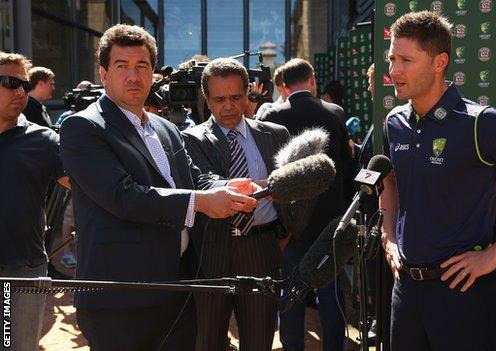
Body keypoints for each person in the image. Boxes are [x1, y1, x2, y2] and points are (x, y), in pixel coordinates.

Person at [380, 11, 496, 351]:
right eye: (392, 58)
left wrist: (495, 254)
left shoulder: (482, 123)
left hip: (461, 293)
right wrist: (389, 236)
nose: (394, 71)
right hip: (405, 291)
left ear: (440, 62)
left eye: (406, 60)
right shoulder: (394, 122)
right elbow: (389, 181)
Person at [59, 24, 258, 351]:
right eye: (122, 66)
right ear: (103, 73)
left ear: (154, 73)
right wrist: (202, 202)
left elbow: (192, 178)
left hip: (178, 289)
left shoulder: (166, 128)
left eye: (142, 67)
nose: (133, 77)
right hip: (119, 297)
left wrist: (230, 187)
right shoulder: (83, 127)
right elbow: (123, 196)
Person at [182, 58, 291, 351]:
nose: (228, 106)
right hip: (211, 252)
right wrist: (257, 188)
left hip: (262, 249)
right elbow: (203, 183)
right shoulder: (191, 139)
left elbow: (294, 192)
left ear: (248, 95)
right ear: (206, 99)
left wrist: (285, 234)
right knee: (207, 340)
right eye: (219, 99)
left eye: (235, 97)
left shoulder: (275, 135)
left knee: (258, 339)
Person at [260, 58, 351, 351]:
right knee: (330, 294)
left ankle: (292, 348)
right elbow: (347, 168)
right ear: (312, 80)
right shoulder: (335, 113)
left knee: (290, 295)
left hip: (290, 225)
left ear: (284, 86)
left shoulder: (272, 114)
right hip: (329, 222)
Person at [0, 51, 69, 351]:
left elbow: (85, 189)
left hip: (21, 270)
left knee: (16, 347)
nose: (20, 91)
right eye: (9, 82)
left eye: (25, 86)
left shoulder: (44, 141)